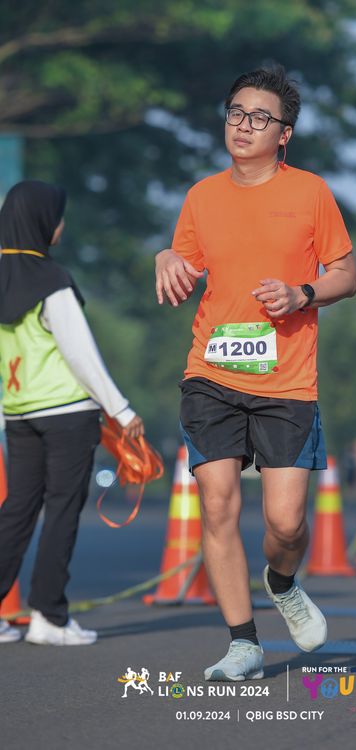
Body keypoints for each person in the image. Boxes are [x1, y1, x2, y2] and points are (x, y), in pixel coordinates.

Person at [155, 66, 356, 680]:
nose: (243, 125)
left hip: (287, 383)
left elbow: (347, 275)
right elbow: (185, 261)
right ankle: (243, 642)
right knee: (217, 503)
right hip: (211, 372)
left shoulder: (311, 193)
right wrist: (166, 257)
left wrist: (301, 294)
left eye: (260, 118)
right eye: (236, 113)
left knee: (285, 523)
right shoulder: (202, 196)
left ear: (284, 134)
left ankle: (283, 582)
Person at [0, 180, 143, 645]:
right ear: (41, 222)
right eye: (56, 216)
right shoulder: (52, 280)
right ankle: (50, 617)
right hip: (67, 413)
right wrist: (121, 410)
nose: (60, 225)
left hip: (18, 413)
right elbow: (81, 355)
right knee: (62, 509)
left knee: (17, 510)